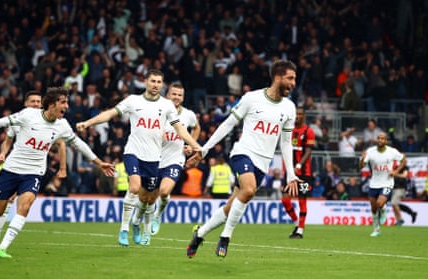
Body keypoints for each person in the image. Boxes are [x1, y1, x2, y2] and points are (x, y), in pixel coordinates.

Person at [0, 87, 115, 258]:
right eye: (63, 102)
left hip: (34, 173)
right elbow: (2, 122)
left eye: (67, 102)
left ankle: (3, 247)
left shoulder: (62, 125)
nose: (67, 106)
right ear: (51, 104)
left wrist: (98, 162)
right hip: (12, 170)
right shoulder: (29, 115)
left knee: (25, 206)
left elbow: (78, 144)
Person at [186, 59, 300, 258]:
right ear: (278, 77)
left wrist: (291, 174)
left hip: (262, 164)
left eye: (294, 79)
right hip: (243, 153)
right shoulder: (251, 98)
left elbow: (286, 143)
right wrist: (205, 149)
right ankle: (225, 237)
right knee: (248, 190)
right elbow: (228, 124)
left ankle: (200, 233)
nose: (293, 83)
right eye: (290, 78)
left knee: (232, 206)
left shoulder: (289, 108)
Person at [76, 69, 202, 246]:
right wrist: (88, 122)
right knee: (134, 187)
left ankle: (137, 223)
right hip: (133, 152)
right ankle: (124, 229)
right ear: (145, 81)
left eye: (159, 82)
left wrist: (197, 146)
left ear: (161, 84)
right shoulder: (133, 101)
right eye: (153, 81)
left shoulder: (166, 106)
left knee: (148, 199)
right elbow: (110, 113)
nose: (155, 85)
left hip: (153, 158)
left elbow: (181, 129)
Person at [0, 91, 67, 246]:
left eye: (38, 101)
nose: (36, 104)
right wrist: (3, 153)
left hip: (33, 169)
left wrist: (63, 167)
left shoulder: (52, 122)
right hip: (15, 167)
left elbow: (61, 142)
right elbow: (8, 141)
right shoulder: (20, 119)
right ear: (26, 104)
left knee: (15, 200)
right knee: (1, 205)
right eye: (33, 101)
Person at [150, 83, 201, 236]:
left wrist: (190, 145)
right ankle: (142, 220)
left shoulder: (188, 115)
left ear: (183, 97)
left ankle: (158, 215)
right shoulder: (157, 111)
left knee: (164, 192)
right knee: (148, 198)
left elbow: (196, 127)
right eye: (174, 94)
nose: (177, 97)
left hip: (175, 160)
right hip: (154, 159)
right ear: (167, 95)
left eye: (180, 95)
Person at [359, 132, 406, 237]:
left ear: (386, 140)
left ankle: (384, 209)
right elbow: (361, 166)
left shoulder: (392, 152)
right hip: (374, 183)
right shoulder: (370, 152)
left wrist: (396, 171)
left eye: (382, 138)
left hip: (387, 183)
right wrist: (362, 159)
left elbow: (403, 160)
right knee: (374, 208)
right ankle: (376, 230)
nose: (380, 140)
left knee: (380, 204)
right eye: (379, 138)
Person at [281, 107, 315, 239]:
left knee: (302, 200)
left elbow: (308, 151)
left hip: (304, 173)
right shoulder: (288, 130)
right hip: (290, 172)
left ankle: (300, 230)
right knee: (285, 199)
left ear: (304, 116)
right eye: (296, 114)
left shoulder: (308, 131)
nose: (298, 116)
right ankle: (296, 222)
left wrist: (299, 164)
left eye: (301, 114)